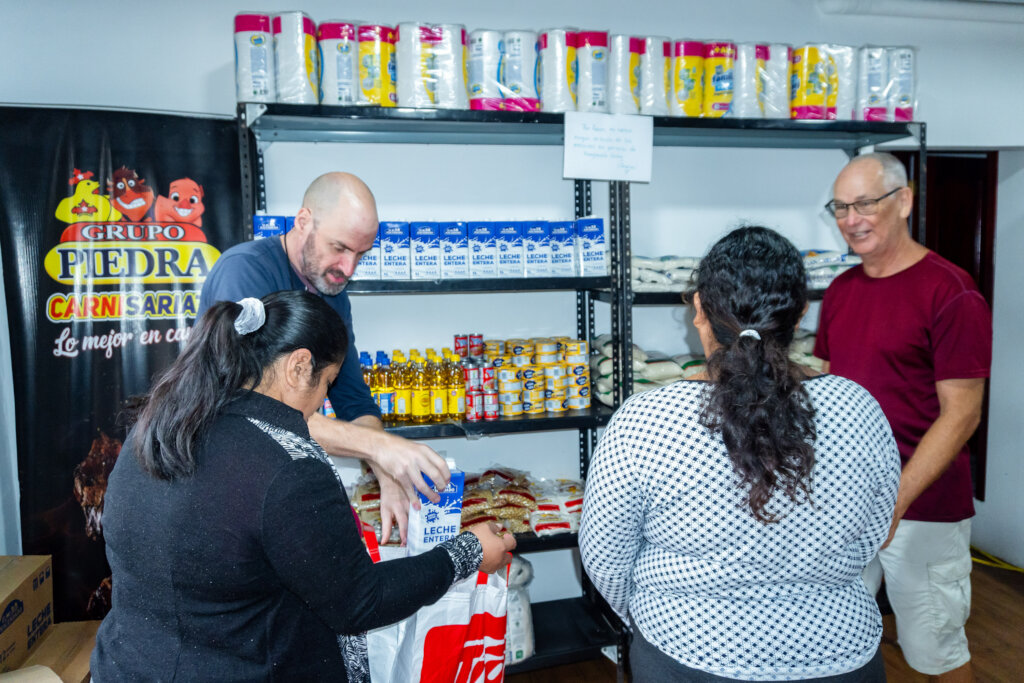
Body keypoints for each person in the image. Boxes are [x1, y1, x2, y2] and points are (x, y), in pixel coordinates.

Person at [91, 291, 515, 681]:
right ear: (298, 367)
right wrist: (469, 551)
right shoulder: (288, 464)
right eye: (327, 384)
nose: (320, 405)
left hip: (127, 667)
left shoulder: (156, 429)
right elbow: (360, 603)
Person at [580, 227, 901, 682]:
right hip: (837, 651)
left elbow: (605, 556)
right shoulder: (857, 407)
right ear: (801, 313)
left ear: (699, 310)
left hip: (686, 652)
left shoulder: (645, 418)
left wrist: (652, 614)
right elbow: (874, 532)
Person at [815, 152, 992, 682]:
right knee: (832, 638)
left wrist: (896, 499)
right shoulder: (842, 291)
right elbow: (829, 388)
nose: (851, 219)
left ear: (905, 201)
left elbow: (962, 415)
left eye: (865, 203)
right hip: (848, 502)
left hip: (923, 507)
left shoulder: (951, 291)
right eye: (841, 207)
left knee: (935, 649)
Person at [198, 172, 443, 546]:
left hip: (276, 484)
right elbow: (254, 406)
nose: (349, 269)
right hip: (221, 484)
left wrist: (387, 470)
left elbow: (353, 398)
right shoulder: (245, 271)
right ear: (303, 221)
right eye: (340, 247)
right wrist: (380, 448)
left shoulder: (333, 292)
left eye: (361, 254)